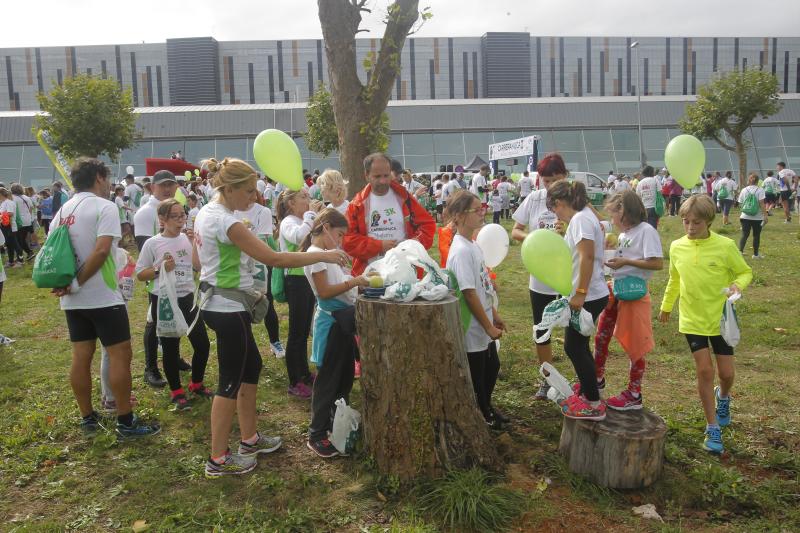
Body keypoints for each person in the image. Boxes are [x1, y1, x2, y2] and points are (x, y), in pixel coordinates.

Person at [193, 157, 348, 477]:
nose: (255, 197)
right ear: (230, 188)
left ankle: (249, 439)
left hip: (223, 302)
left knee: (252, 367)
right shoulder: (226, 221)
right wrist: (323, 254)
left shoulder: (209, 212)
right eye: (249, 191)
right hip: (226, 308)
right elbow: (274, 258)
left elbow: (200, 259)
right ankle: (218, 459)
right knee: (230, 383)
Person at [50, 157, 160, 438]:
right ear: (99, 177)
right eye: (108, 177)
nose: (110, 183)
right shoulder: (104, 206)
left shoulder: (62, 210)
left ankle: (87, 418)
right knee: (120, 355)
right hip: (102, 296)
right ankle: (125, 421)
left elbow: (53, 254)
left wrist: (68, 285)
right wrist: (76, 283)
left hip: (74, 301)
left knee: (81, 357)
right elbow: (100, 252)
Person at [659, 195, 752, 454]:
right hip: (692, 319)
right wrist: (667, 306)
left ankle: (723, 397)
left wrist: (738, 285)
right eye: (686, 222)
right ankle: (712, 428)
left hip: (721, 319)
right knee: (704, 371)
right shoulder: (677, 247)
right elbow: (674, 279)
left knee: (726, 374)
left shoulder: (725, 246)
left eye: (696, 223)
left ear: (709, 221)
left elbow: (745, 271)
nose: (690, 228)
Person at [302, 209, 370, 457]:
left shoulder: (327, 255)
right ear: (326, 227)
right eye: (339, 235)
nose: (341, 241)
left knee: (342, 378)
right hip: (330, 325)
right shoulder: (316, 256)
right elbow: (325, 291)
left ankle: (336, 426)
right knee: (327, 381)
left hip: (341, 323)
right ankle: (316, 434)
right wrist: (355, 282)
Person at [136, 199, 213, 410]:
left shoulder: (189, 239)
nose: (181, 220)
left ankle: (196, 384)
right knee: (170, 347)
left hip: (187, 297)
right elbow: (141, 274)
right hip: (164, 300)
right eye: (175, 216)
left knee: (202, 345)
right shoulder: (153, 243)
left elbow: (198, 267)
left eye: (183, 215)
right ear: (162, 219)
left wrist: (195, 245)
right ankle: (176, 392)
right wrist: (160, 269)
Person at [593, 191, 663, 411]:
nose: (612, 220)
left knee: (635, 344)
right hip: (616, 290)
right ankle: (596, 379)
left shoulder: (646, 231)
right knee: (601, 335)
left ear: (624, 212)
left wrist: (625, 262)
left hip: (634, 293)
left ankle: (634, 393)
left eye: (614, 215)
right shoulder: (625, 234)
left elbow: (657, 263)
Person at [547, 180, 609, 421]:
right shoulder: (583, 217)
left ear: (560, 203)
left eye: (554, 209)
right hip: (589, 293)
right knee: (580, 345)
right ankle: (588, 389)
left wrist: (580, 292)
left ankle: (593, 404)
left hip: (588, 294)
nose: (556, 214)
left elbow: (587, 256)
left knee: (573, 346)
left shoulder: (582, 219)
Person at [445, 190, 507, 429]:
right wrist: (488, 326)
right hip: (472, 326)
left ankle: (487, 407)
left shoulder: (473, 245)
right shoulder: (460, 250)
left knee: (493, 366)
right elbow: (469, 293)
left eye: (483, 207)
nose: (483, 212)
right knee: (477, 375)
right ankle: (481, 415)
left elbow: (483, 287)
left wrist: (495, 315)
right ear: (459, 216)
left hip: (483, 322)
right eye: (476, 209)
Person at [511, 154, 568, 400]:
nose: (551, 186)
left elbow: (599, 226)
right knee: (542, 329)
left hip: (570, 275)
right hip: (541, 276)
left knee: (576, 333)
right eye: (546, 181)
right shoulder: (534, 200)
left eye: (556, 180)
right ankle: (546, 380)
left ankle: (581, 384)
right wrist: (537, 240)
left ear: (564, 177)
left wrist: (569, 228)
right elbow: (515, 230)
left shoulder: (575, 200)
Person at [134, 170, 186, 388]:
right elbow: (144, 248)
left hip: (178, 279)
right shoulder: (146, 213)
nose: (167, 189)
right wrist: (156, 272)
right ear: (152, 187)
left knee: (173, 316)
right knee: (153, 321)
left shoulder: (176, 207)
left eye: (171, 184)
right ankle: (151, 368)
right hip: (157, 278)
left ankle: (174, 358)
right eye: (162, 185)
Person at [343, 152, 435, 276]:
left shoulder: (404, 197)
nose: (382, 181)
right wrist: (379, 246)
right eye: (377, 176)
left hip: (405, 272)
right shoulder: (357, 205)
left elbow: (428, 225)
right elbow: (348, 240)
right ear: (366, 175)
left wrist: (414, 244)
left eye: (386, 175)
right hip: (370, 276)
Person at [276, 189, 322, 398]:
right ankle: (294, 380)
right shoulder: (289, 221)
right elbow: (298, 236)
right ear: (291, 203)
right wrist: (311, 216)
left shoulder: (303, 219)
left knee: (304, 330)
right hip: (295, 279)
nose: (308, 200)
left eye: (308, 196)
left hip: (306, 277)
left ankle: (303, 373)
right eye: (303, 197)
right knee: (296, 332)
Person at [235, 188, 285, 359]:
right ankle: (246, 345)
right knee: (241, 304)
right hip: (238, 264)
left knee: (267, 301)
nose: (249, 196)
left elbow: (263, 239)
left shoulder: (262, 211)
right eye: (245, 191)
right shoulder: (231, 210)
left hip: (260, 262)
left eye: (252, 192)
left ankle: (275, 341)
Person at [737, 172, 768, 258]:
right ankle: (755, 254)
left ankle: (740, 251)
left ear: (749, 180)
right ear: (758, 181)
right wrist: (765, 216)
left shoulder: (744, 190)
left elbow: (740, 203)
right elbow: (762, 204)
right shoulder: (760, 190)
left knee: (744, 234)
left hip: (745, 216)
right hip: (757, 217)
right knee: (756, 235)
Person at [10, 184, 35, 262]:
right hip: (27, 221)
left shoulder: (12, 198)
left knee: (18, 241)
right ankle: (28, 253)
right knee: (22, 239)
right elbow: (31, 208)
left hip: (18, 222)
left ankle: (20, 258)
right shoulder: (26, 197)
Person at [0, 188, 23, 268]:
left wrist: (1, 215)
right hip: (4, 226)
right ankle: (11, 261)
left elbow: (10, 213)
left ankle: (20, 261)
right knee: (9, 244)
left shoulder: (9, 203)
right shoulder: (3, 203)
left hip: (11, 227)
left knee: (15, 244)